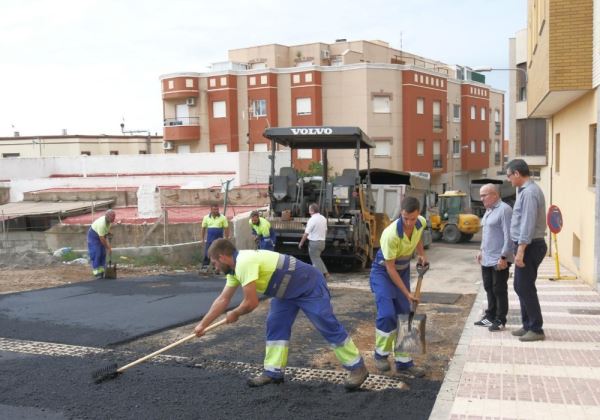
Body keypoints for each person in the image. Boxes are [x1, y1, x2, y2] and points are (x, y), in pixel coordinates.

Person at [194, 239, 369, 390]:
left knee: (325, 322)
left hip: (308, 285)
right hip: (285, 292)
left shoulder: (244, 262)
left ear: (223, 257)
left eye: (215, 263)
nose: (215, 268)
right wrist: (203, 325)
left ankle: (357, 367)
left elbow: (251, 302)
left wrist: (236, 313)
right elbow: (223, 300)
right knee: (275, 324)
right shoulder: (234, 271)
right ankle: (273, 371)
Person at [370, 196, 428, 377]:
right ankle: (380, 355)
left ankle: (404, 362)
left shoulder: (421, 222)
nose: (410, 223)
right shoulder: (390, 234)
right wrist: (407, 292)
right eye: (405, 218)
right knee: (387, 314)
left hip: (401, 270)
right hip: (383, 272)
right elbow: (389, 268)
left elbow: (417, 237)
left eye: (413, 218)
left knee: (406, 315)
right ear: (401, 214)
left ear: (418, 214)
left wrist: (421, 255)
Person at [506, 159, 548, 342]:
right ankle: (528, 325)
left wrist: (521, 249)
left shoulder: (530, 193)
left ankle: (536, 328)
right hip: (527, 245)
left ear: (516, 173)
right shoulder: (525, 191)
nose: (508, 180)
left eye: (509, 176)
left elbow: (528, 223)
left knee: (524, 286)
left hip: (530, 246)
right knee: (521, 286)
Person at [475, 184, 513, 332]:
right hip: (486, 258)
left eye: (484, 195)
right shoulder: (488, 211)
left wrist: (504, 257)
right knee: (489, 287)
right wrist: (481, 251)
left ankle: (500, 319)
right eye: (481, 195)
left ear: (495, 195)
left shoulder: (504, 210)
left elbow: (508, 236)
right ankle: (490, 316)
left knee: (499, 289)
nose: (481, 198)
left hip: (499, 258)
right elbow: (487, 234)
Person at [298, 203, 330, 280]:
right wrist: (323, 238)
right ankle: (326, 273)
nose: (309, 212)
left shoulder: (312, 220)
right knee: (317, 258)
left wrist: (301, 243)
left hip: (314, 243)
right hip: (322, 242)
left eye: (309, 210)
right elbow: (326, 230)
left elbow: (306, 233)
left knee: (315, 260)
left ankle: (319, 277)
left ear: (312, 211)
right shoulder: (323, 218)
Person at [87, 209, 116, 279]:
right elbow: (102, 238)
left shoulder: (108, 222)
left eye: (114, 216)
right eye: (113, 217)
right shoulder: (101, 223)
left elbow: (105, 231)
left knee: (103, 253)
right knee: (97, 253)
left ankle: (102, 270)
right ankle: (96, 272)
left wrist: (108, 233)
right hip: (93, 236)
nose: (114, 218)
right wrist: (108, 247)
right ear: (108, 216)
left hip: (100, 235)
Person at [200, 205, 229, 271]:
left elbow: (226, 228)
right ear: (211, 210)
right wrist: (202, 238)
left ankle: (217, 267)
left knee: (219, 253)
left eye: (217, 209)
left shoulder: (223, 217)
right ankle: (205, 266)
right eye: (214, 209)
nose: (216, 211)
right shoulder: (206, 217)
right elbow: (203, 228)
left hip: (219, 239)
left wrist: (226, 238)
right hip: (210, 238)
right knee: (208, 252)